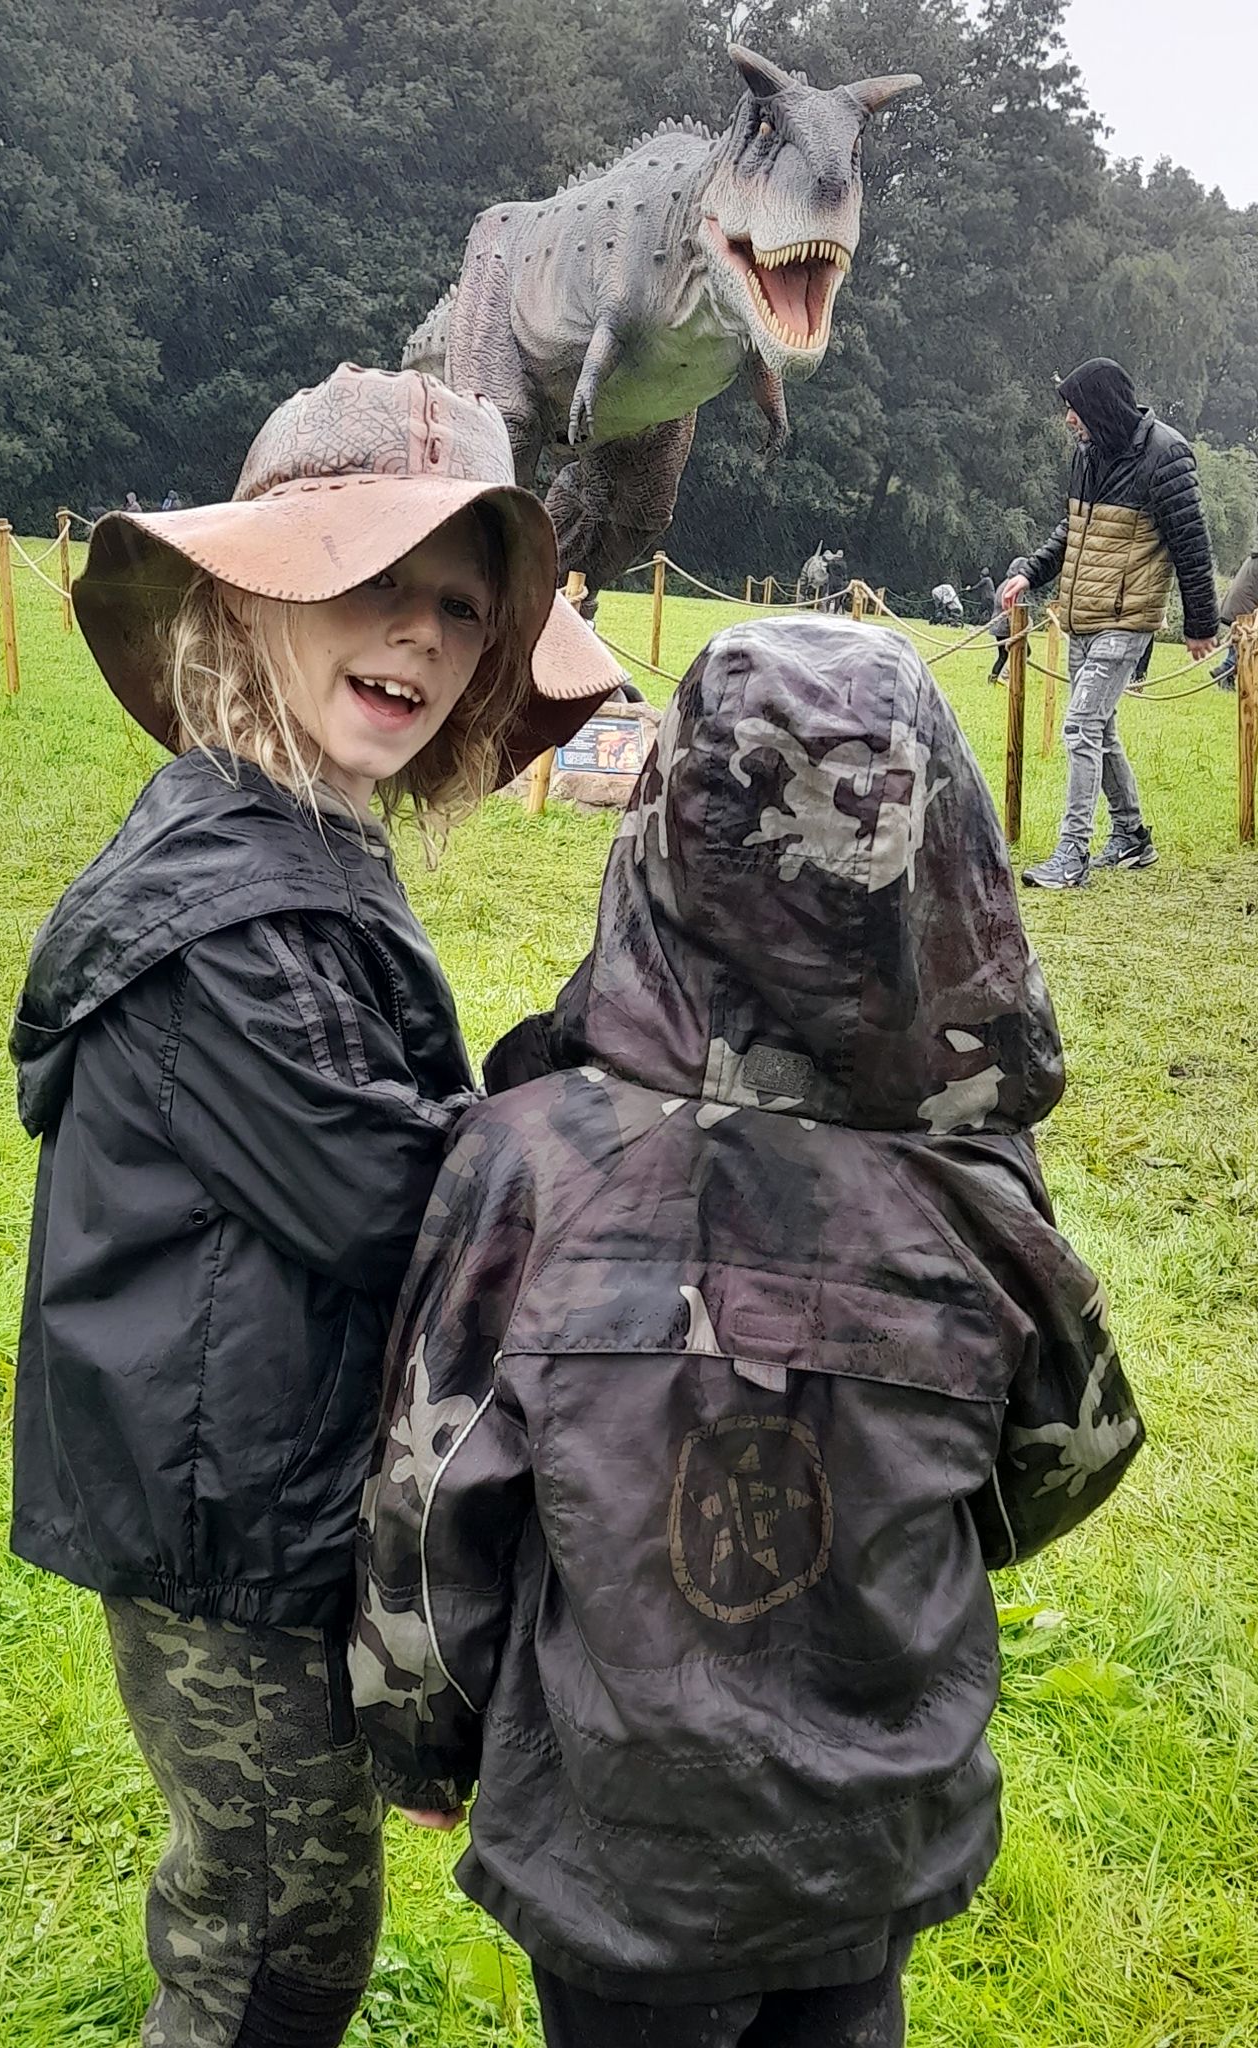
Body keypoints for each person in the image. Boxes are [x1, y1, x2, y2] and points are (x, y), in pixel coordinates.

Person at [353, 617, 1144, 2048]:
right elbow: (1077, 1444)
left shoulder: (526, 1163)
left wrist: (423, 1737)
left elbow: (429, 1504)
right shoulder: (974, 1189)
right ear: (939, 838)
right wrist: (896, 1534)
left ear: (668, 824)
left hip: (616, 1830)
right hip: (869, 1823)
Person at [8, 362, 620, 2048]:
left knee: (278, 1898)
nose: (417, 638)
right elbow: (402, 1208)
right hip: (224, 1521)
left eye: (457, 605)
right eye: (370, 581)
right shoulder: (226, 914)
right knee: (275, 1935)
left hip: (261, 1478)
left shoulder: (300, 836)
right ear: (250, 597)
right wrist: (592, 1085)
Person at [997, 358, 1219, 886]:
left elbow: (1192, 546)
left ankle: (1071, 856)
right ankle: (1132, 836)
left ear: (1098, 406)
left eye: (1074, 408)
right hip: (1083, 616)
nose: (1068, 419)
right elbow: (1073, 528)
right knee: (1102, 729)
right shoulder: (1089, 454)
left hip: (1128, 619)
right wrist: (1031, 572)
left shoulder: (1167, 455)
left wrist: (1201, 625)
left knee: (1078, 728)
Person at [1213, 547, 1257, 689]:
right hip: (1245, 608)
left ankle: (1226, 677)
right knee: (1247, 647)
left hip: (1236, 605)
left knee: (1238, 645)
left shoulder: (1253, 559)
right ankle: (1225, 670)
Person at [987, 556, 1030, 680]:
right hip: (1005, 625)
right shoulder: (1015, 585)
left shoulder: (1006, 583)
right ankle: (1008, 676)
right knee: (1024, 651)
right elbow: (1013, 608)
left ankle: (994, 678)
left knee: (1003, 655)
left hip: (999, 624)